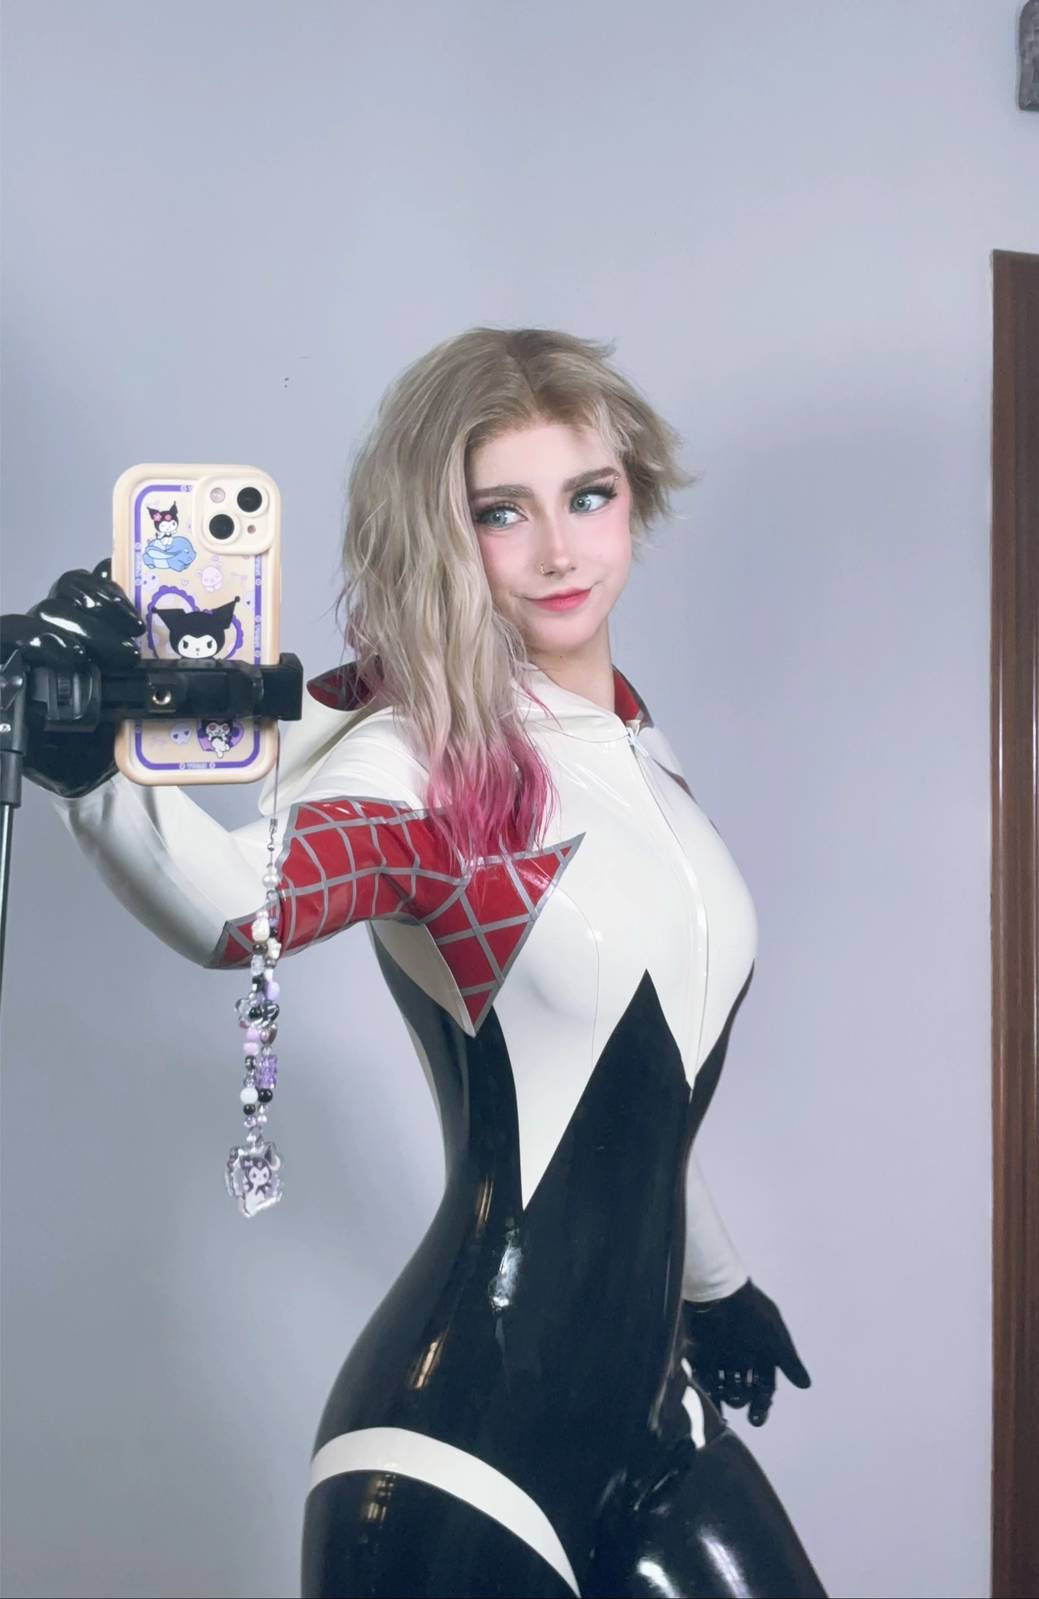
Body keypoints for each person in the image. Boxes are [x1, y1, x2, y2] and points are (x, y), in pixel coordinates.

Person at [4, 327, 827, 1599]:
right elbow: (238, 909)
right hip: (459, 1454)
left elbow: (642, 1095)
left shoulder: (639, 752)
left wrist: (718, 1290)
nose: (559, 552)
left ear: (635, 496)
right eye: (503, 512)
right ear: (443, 533)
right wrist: (84, 770)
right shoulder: (430, 759)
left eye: (588, 496)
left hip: (656, 1430)